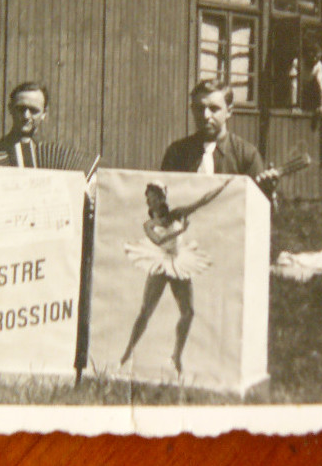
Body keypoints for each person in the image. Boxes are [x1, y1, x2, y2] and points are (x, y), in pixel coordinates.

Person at [119, 179, 231, 374]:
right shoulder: (148, 224)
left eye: (155, 199)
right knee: (146, 311)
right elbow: (159, 240)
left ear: (163, 198)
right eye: (149, 200)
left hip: (179, 260)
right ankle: (128, 352)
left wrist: (222, 186)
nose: (152, 203)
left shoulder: (177, 213)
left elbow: (201, 202)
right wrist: (180, 230)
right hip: (161, 261)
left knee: (188, 312)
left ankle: (176, 356)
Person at [161, 78, 279, 196]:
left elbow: (258, 206)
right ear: (192, 110)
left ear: (229, 111)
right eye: (200, 108)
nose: (206, 115)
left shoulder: (246, 155)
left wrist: (267, 191)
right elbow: (160, 201)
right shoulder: (177, 153)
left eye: (214, 109)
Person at [0, 81, 50, 168]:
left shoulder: (52, 154)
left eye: (33, 110)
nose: (26, 116)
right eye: (21, 109)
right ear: (10, 109)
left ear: (44, 113)